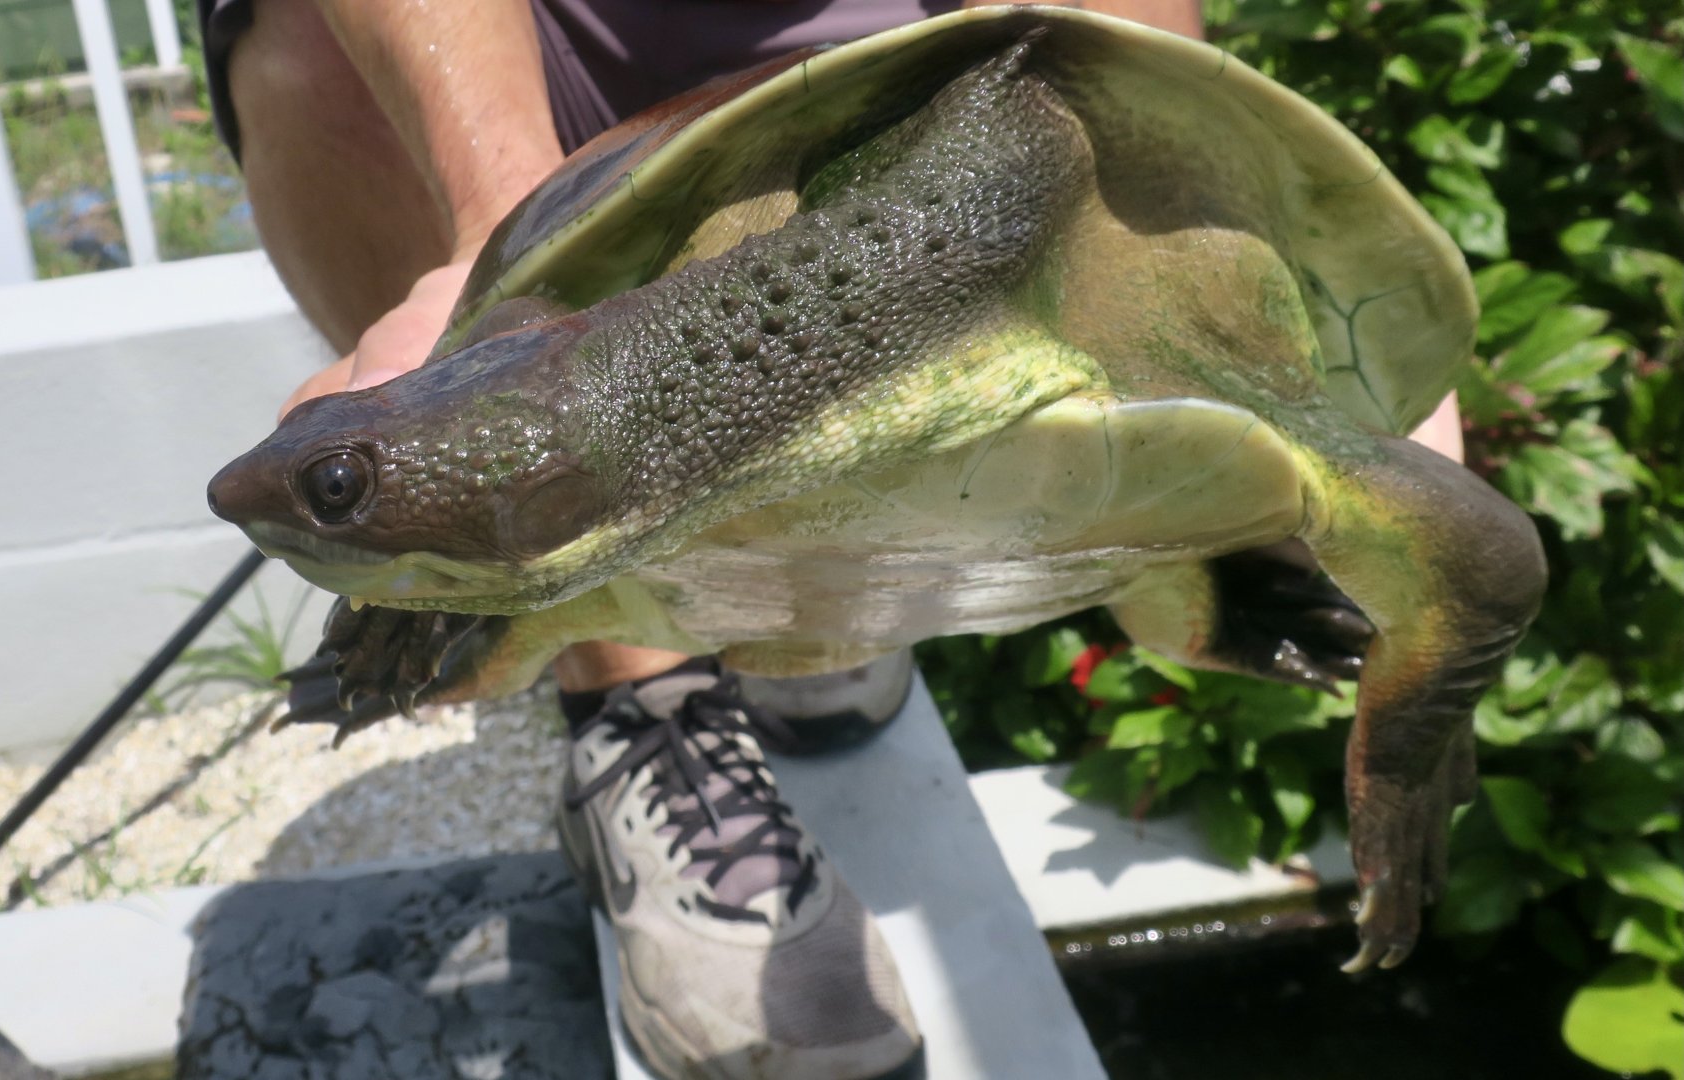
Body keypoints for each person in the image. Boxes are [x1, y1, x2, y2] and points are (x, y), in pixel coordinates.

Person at [199, 2, 1461, 1076]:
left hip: (897, 63)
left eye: (337, 491)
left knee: (1052, 110)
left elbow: (1043, 106)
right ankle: (651, 705)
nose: (236, 498)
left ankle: (840, 573)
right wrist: (495, 232)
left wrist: (1219, 230)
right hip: (521, 70)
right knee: (290, 37)